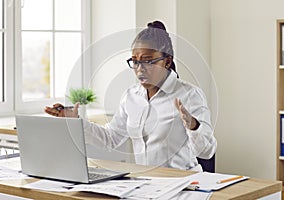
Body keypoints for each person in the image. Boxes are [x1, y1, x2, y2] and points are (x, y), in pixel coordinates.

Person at [45, 21, 217, 172]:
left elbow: (207, 152)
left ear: (167, 61)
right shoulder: (131, 96)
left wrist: (193, 125)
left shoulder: (189, 95)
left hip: (185, 185)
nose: (140, 68)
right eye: (135, 61)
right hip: (147, 184)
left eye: (148, 61)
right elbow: (111, 138)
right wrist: (75, 121)